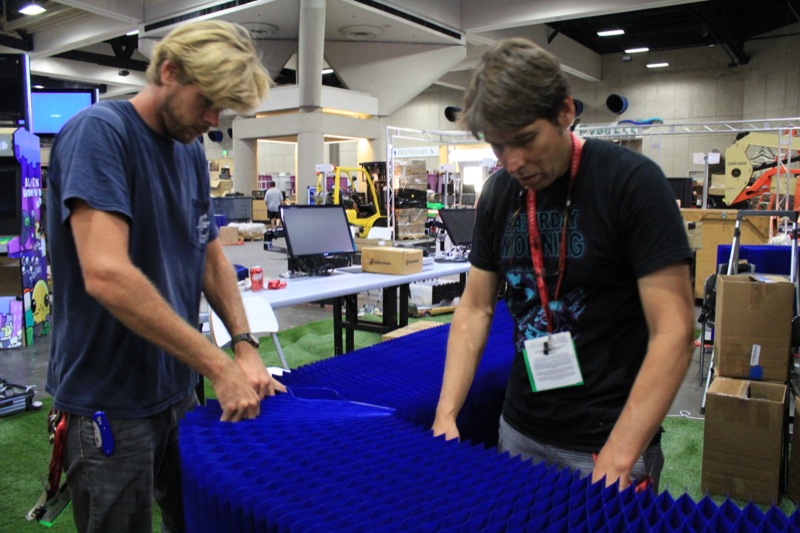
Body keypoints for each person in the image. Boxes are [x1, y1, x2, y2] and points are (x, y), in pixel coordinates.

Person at [45, 20, 285, 532]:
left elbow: (209, 254)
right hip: (108, 401)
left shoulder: (190, 151)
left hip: (177, 390)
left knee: (199, 521)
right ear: (169, 71)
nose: (214, 119)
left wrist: (243, 345)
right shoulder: (100, 135)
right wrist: (220, 369)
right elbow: (106, 274)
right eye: (207, 103)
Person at [432, 38, 695, 492]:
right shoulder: (497, 195)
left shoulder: (631, 183)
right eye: (497, 146)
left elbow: (674, 331)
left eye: (525, 140)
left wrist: (620, 452)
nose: (512, 162)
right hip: (519, 430)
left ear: (565, 111)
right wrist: (446, 411)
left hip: (607, 442)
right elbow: (475, 308)